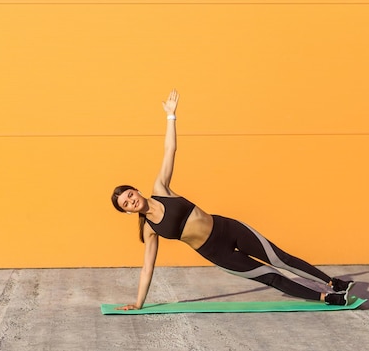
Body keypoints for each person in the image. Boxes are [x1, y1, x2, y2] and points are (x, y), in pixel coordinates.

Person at [111, 89, 355, 310]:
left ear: (137, 190)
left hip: (228, 228)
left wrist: (171, 117)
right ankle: (328, 298)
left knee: (281, 258)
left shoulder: (160, 188)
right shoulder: (151, 230)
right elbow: (147, 268)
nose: (130, 201)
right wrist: (138, 303)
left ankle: (334, 283)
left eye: (130, 195)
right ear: (128, 212)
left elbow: (169, 150)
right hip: (217, 252)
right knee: (271, 277)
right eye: (126, 204)